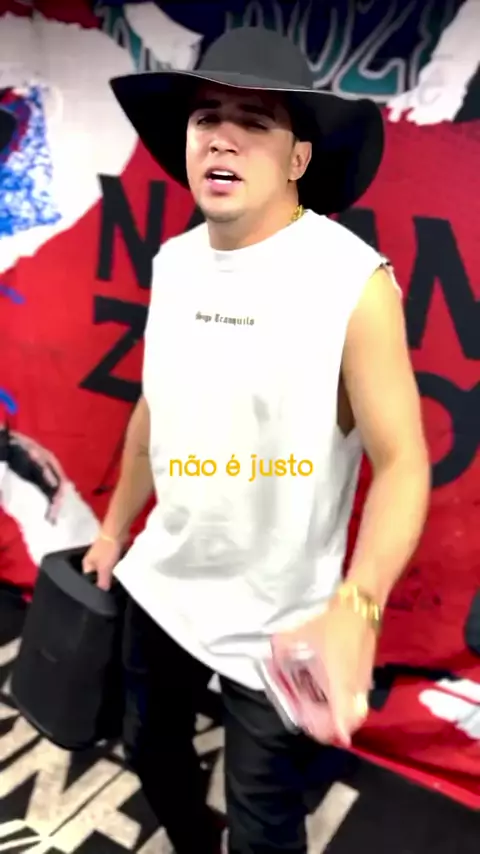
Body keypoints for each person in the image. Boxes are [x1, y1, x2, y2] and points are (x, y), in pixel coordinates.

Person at [83, 26, 430, 854]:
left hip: (279, 623)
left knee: (267, 831)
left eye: (254, 120)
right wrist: (113, 528)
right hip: (164, 588)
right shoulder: (174, 262)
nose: (222, 136)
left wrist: (359, 603)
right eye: (207, 116)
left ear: (298, 158)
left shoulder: (353, 283)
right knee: (150, 752)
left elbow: (404, 463)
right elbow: (154, 407)